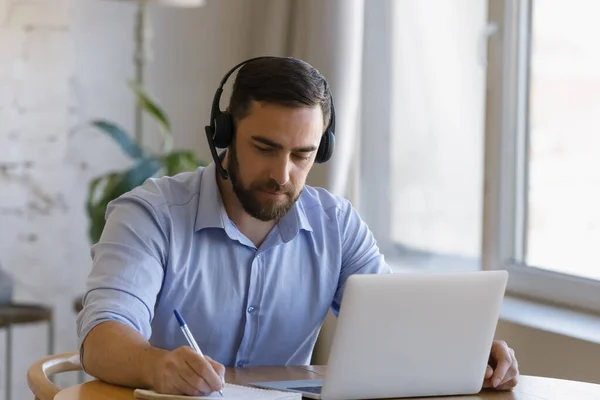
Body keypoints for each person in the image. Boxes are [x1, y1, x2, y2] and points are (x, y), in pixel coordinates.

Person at [76, 56, 519, 396]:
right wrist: (157, 366)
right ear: (225, 131)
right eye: (265, 147)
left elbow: (394, 327)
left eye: (302, 155)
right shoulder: (150, 215)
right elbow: (101, 337)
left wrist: (468, 355)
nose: (282, 174)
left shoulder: (336, 225)